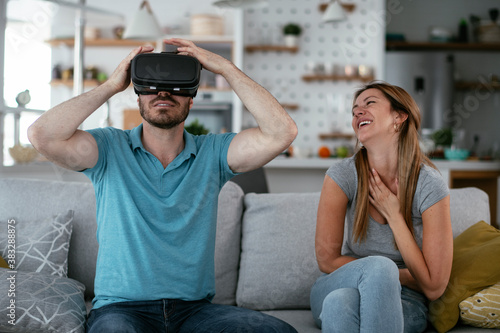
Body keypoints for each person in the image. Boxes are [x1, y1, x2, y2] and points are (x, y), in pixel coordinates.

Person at [28, 38, 298, 333]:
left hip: (194, 311)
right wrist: (110, 86)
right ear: (138, 96)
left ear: (191, 99)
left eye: (175, 89)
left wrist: (225, 67)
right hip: (121, 310)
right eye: (152, 87)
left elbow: (282, 133)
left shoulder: (214, 153)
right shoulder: (108, 149)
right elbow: (42, 135)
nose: (164, 93)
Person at [310, 81, 453, 333]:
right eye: (354, 109)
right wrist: (392, 275)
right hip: (340, 283)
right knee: (378, 269)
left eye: (370, 103)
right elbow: (327, 261)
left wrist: (395, 216)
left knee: (338, 306)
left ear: (399, 116)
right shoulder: (342, 175)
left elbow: (433, 287)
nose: (357, 112)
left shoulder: (429, 184)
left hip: (403, 301)